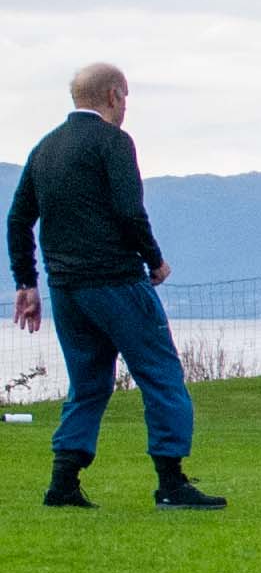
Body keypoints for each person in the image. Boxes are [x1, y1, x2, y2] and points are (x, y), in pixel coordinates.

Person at [7, 64, 225, 510]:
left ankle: (63, 482)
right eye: (125, 99)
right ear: (113, 96)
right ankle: (172, 482)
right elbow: (129, 210)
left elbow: (17, 219)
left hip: (66, 289)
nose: (125, 108)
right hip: (116, 281)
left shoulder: (45, 148)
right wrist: (154, 259)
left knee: (88, 385)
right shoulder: (114, 142)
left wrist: (27, 282)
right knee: (161, 376)